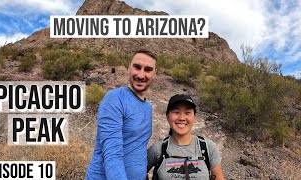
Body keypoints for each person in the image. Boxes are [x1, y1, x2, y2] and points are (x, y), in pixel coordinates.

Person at [86, 49, 158, 180]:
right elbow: (112, 154)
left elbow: (137, 146)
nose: (141, 75)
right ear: (129, 67)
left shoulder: (148, 108)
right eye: (137, 67)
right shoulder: (115, 99)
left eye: (148, 70)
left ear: (155, 73)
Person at [147, 94, 224, 180]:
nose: (182, 118)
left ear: (194, 117)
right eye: (176, 112)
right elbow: (137, 173)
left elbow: (218, 177)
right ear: (167, 116)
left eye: (187, 113)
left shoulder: (208, 147)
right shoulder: (158, 149)